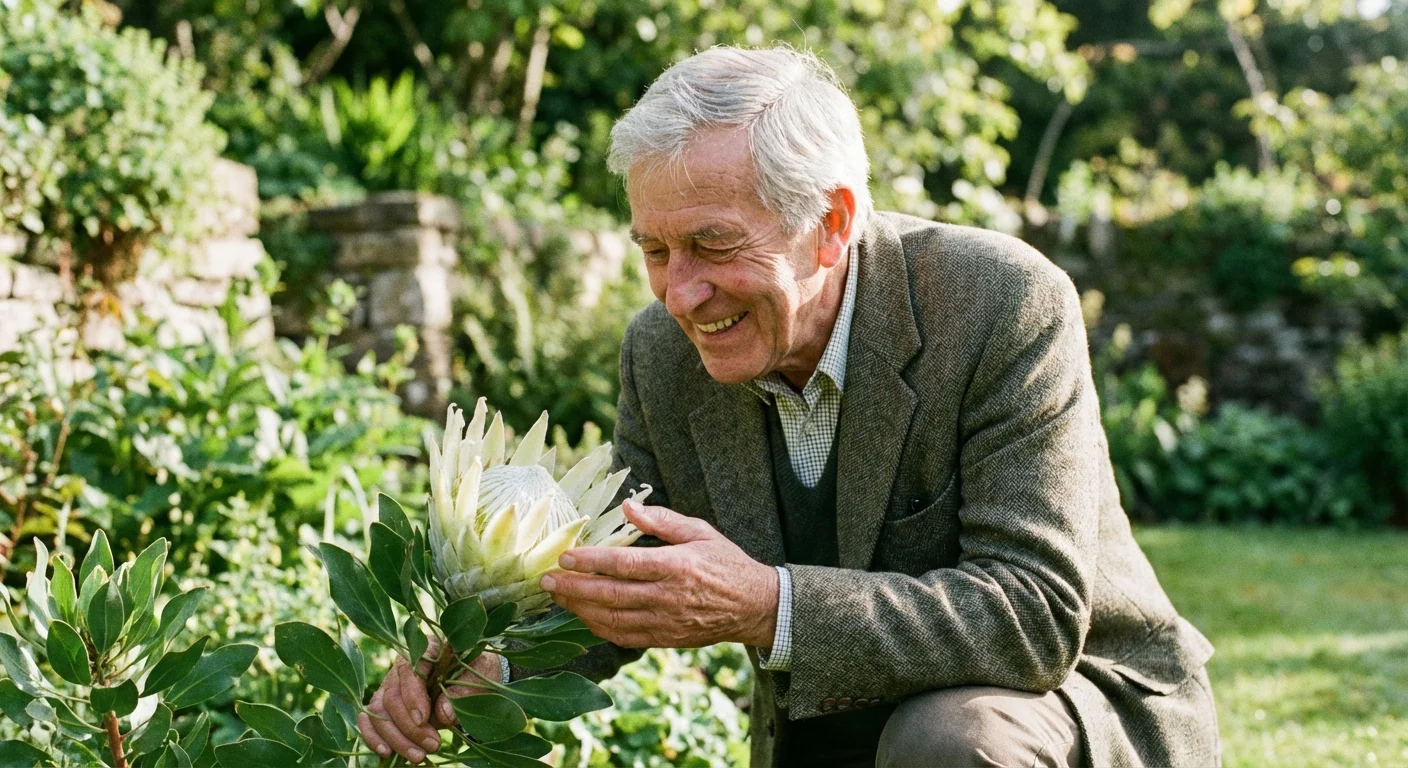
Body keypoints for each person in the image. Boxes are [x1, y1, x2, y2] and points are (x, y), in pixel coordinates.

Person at [359, 45, 1220, 767]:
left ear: (832, 222)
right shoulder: (660, 353)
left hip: (1076, 706)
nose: (682, 294)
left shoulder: (1001, 301)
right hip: (832, 735)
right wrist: (485, 664)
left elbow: (1031, 615)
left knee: (949, 740)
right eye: (654, 250)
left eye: (713, 244)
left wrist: (768, 607)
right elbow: (624, 582)